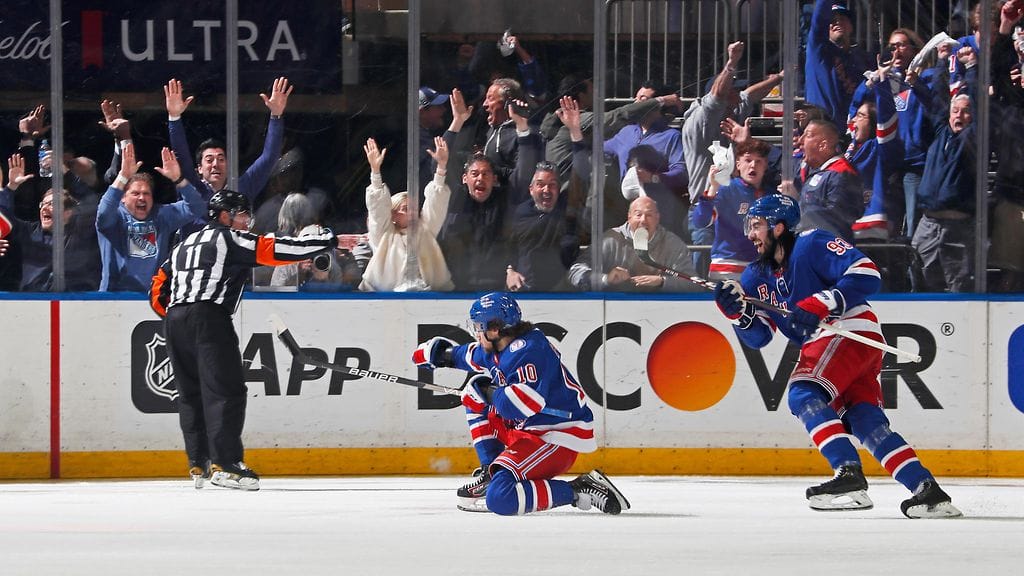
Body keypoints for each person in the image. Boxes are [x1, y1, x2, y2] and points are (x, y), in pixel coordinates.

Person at [713, 193, 960, 518]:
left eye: (756, 225)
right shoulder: (755, 277)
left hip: (847, 329)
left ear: (778, 227)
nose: (750, 235)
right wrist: (737, 314)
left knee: (802, 392)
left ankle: (848, 474)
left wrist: (822, 301)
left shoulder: (811, 244)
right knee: (863, 419)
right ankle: (926, 490)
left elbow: (868, 273)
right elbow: (759, 337)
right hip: (846, 345)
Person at [149, 190, 338, 491]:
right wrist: (325, 239)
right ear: (224, 216)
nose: (247, 221)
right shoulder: (229, 238)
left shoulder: (183, 244)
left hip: (175, 319)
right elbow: (276, 249)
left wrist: (177, 313)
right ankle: (227, 465)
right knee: (226, 390)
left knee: (191, 393)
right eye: (242, 215)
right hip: (208, 316)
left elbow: (158, 287)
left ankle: (199, 462)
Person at [411, 292, 630, 515]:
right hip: (532, 431)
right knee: (474, 398)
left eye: (479, 326)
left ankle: (579, 489)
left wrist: (484, 391)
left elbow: (523, 405)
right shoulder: (499, 345)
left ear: (494, 329)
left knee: (501, 499)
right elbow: (469, 355)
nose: (476, 333)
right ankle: (492, 472)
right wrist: (441, 354)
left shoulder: (529, 350)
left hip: (556, 437)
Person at [164, 77, 292, 234]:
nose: (215, 164)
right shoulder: (191, 188)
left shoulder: (240, 189)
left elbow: (269, 158)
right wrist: (174, 118)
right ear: (199, 168)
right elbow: (181, 157)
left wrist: (276, 115)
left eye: (221, 159)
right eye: (209, 160)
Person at [95, 143, 205, 292]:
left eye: (146, 193)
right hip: (115, 297)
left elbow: (197, 207)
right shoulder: (115, 218)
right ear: (122, 198)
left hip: (153, 295)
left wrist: (179, 179)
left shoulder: (161, 215)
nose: (141, 198)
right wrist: (123, 177)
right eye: (135, 193)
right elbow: (103, 212)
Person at [359, 136, 454, 292]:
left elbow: (436, 204)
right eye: (405, 209)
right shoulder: (383, 235)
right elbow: (378, 210)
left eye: (415, 208)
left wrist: (441, 168)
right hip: (387, 301)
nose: (412, 213)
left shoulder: (425, 231)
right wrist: (375, 172)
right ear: (393, 215)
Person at [0, 154, 101, 291]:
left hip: (75, 302)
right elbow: (3, 217)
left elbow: (92, 202)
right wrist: (11, 187)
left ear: (68, 212)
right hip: (32, 302)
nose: (45, 208)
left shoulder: (81, 231)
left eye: (52, 203)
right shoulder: (27, 231)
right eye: (43, 204)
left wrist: (64, 171)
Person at [912, 93, 977, 293]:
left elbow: (983, 109)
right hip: (928, 224)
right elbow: (934, 103)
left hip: (957, 227)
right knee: (920, 279)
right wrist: (919, 84)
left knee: (959, 285)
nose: (959, 115)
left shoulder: (974, 139)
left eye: (966, 111)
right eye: (955, 111)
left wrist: (972, 68)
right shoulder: (941, 134)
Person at [568, 196, 701, 292]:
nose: (643, 220)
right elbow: (575, 272)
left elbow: (692, 283)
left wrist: (662, 281)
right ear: (629, 217)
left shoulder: (672, 243)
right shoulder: (610, 239)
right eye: (638, 215)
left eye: (649, 215)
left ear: (657, 218)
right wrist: (605, 279)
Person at [690, 138, 772, 281]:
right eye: (748, 160)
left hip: (760, 269)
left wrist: (791, 198)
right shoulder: (725, 189)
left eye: (758, 161)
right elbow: (700, 222)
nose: (753, 165)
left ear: (765, 165)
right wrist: (712, 188)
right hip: (727, 267)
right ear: (738, 164)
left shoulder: (772, 195)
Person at [788, 118, 863, 241]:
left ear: (823, 145)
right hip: (811, 243)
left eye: (808, 135)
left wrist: (797, 211)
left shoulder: (841, 174)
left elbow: (836, 219)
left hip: (828, 248)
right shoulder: (818, 172)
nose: (800, 141)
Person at [804, 1, 872, 127]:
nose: (837, 22)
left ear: (851, 26)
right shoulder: (818, 49)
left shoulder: (860, 59)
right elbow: (819, 17)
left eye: (842, 18)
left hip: (849, 132)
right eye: (832, 20)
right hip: (821, 128)